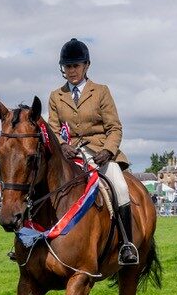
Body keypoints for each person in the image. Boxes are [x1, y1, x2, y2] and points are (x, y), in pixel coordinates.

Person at [48, 37, 138, 265]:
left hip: (99, 151)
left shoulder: (101, 92)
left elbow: (114, 127)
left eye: (76, 66)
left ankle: (127, 244)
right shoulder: (56, 96)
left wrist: (108, 151)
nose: (72, 71)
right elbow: (53, 129)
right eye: (68, 66)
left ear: (86, 65)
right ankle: (29, 241)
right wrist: (63, 145)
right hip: (69, 155)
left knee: (119, 186)